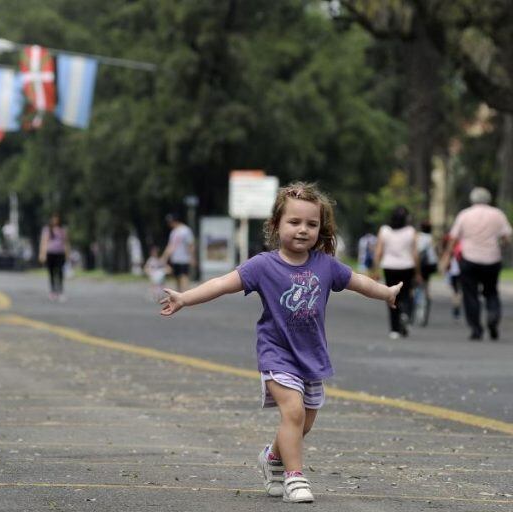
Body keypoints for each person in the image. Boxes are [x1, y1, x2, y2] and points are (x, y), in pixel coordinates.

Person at [160, 182, 400, 503]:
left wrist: (386, 293)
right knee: (293, 411)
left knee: (304, 421)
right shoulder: (263, 265)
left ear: (321, 229)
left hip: (312, 356)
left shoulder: (326, 265)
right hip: (276, 354)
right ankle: (295, 476)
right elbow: (221, 283)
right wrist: (185, 298)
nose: (303, 230)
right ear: (276, 225)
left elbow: (358, 282)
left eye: (311, 224)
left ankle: (273, 458)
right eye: (294, 222)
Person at [441, 187, 512, 340]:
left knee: (470, 294)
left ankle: (476, 329)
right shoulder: (497, 214)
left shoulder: (464, 215)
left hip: (469, 259)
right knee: (491, 291)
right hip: (492, 259)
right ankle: (493, 316)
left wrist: (447, 256)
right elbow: (507, 236)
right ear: (488, 199)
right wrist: (502, 245)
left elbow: (453, 238)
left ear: (472, 199)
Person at [373, 206, 420, 339]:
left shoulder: (384, 230)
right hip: (407, 267)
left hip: (389, 267)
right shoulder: (411, 231)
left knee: (391, 296)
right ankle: (405, 313)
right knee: (406, 293)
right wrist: (418, 272)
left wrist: (375, 269)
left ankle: (394, 329)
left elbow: (378, 251)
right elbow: (415, 254)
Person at [38, 214, 70, 301]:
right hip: (50, 253)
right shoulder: (47, 229)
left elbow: (66, 243)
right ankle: (53, 291)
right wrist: (42, 254)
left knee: (60, 272)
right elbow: (44, 242)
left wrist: (67, 254)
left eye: (57, 219)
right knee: (51, 273)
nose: (55, 221)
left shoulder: (63, 230)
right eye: (54, 219)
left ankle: (60, 291)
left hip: (60, 253)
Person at [161, 213, 195, 292]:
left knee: (184, 276)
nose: (169, 224)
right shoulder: (173, 232)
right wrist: (164, 257)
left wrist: (192, 257)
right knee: (177, 277)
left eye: (170, 222)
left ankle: (186, 294)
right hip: (175, 258)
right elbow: (170, 245)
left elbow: (190, 245)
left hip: (184, 258)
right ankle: (179, 294)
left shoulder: (186, 230)